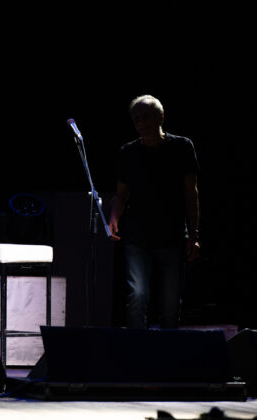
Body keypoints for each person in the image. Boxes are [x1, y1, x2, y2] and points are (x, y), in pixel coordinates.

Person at [108, 95, 200, 329]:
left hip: (172, 237)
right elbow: (121, 193)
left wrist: (193, 233)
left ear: (161, 117)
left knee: (170, 305)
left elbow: (191, 193)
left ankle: (166, 350)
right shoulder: (128, 152)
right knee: (137, 295)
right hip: (137, 238)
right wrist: (114, 217)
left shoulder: (181, 147)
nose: (141, 123)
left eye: (146, 117)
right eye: (136, 119)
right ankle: (137, 348)